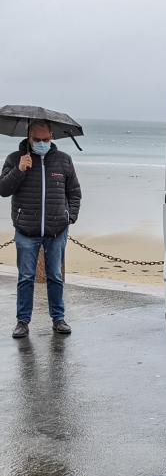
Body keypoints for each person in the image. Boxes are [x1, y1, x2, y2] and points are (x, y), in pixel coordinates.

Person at [0, 121, 81, 338]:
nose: (42, 143)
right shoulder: (14, 159)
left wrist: (70, 217)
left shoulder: (63, 160)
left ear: (52, 137)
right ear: (29, 138)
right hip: (26, 230)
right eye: (38, 140)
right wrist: (19, 170)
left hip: (57, 230)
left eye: (46, 139)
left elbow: (74, 192)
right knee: (26, 277)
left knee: (55, 276)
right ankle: (22, 322)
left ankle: (58, 319)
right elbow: (3, 190)